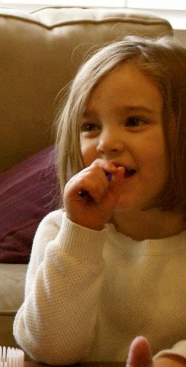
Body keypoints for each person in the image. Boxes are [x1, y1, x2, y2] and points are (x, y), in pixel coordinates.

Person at [14, 35, 186, 366]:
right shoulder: (60, 232)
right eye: (90, 126)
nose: (106, 143)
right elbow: (51, 349)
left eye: (134, 121)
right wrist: (81, 233)